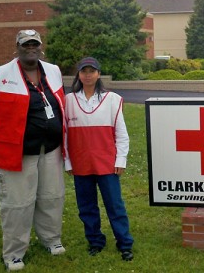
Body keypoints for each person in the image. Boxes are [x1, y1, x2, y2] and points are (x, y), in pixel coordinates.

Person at [0, 29, 66, 271]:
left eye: (34, 43)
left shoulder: (53, 71)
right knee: (17, 204)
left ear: (41, 46)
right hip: (17, 153)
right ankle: (14, 254)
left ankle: (51, 240)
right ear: (17, 47)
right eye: (26, 44)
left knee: (52, 197)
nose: (31, 48)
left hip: (51, 149)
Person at [64, 57, 134, 261]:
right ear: (78, 74)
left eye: (91, 71)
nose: (87, 74)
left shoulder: (112, 99)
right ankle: (95, 241)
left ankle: (124, 243)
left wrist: (120, 159)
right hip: (80, 162)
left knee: (115, 205)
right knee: (86, 206)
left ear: (98, 74)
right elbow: (65, 134)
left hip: (107, 162)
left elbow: (121, 133)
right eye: (83, 71)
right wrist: (68, 161)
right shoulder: (68, 100)